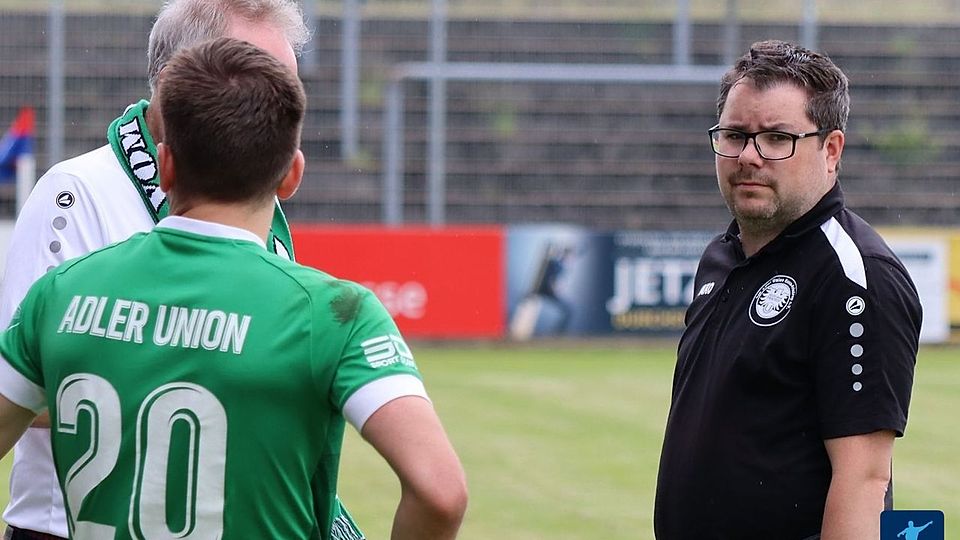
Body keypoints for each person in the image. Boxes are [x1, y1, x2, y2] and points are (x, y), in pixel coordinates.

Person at [0, 37, 467, 540]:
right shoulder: (336, 313)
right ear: (291, 175)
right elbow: (440, 493)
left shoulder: (60, 295)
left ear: (164, 164)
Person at [654, 40, 922, 539]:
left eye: (778, 138)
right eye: (735, 135)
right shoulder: (720, 257)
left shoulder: (855, 277)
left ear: (831, 150)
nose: (749, 156)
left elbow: (864, 479)